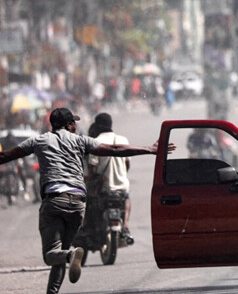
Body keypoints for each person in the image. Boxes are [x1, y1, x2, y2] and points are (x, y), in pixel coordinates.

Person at [0, 107, 174, 293]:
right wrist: (149, 149)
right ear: (68, 125)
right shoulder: (80, 141)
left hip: (54, 202)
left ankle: (71, 254)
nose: (76, 126)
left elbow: (6, 155)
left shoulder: (38, 140)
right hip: (77, 204)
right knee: (61, 253)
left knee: (51, 254)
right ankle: (58, 280)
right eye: (73, 122)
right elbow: (114, 149)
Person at [86, 112, 133, 243]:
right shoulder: (123, 140)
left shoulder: (95, 142)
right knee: (127, 198)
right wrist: (122, 175)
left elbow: (92, 168)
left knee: (89, 203)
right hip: (122, 185)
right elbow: (127, 164)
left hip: (104, 187)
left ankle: (91, 228)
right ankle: (126, 226)